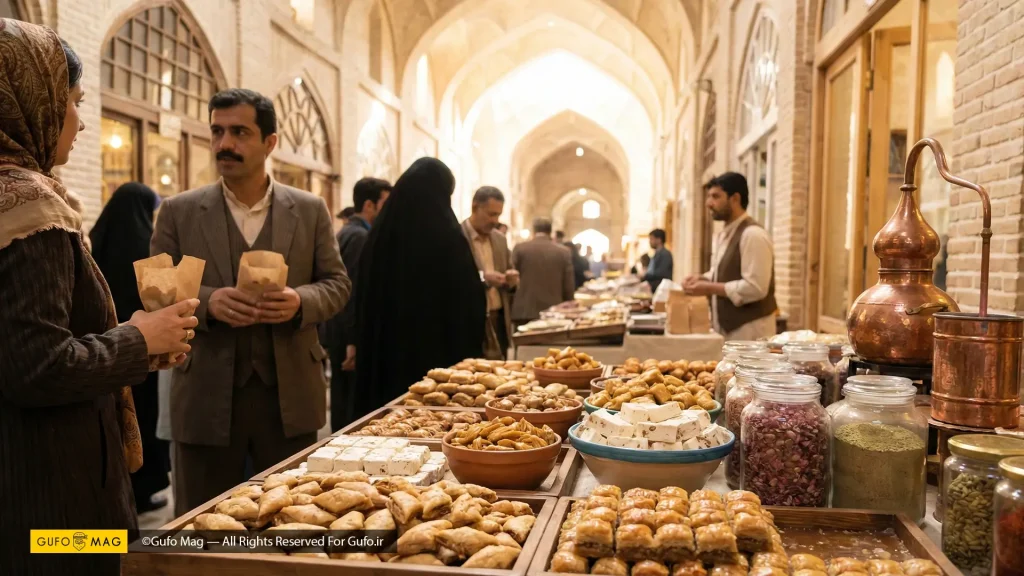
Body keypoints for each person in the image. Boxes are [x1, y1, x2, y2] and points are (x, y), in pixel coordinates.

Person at [0, 21, 198, 575]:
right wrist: (137, 340)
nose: (81, 121)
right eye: (73, 102)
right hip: (48, 500)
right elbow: (35, 366)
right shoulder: (26, 210)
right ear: (30, 99)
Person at [151, 88, 351, 515]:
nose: (225, 144)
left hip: (290, 394)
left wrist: (301, 300)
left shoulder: (310, 209)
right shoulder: (178, 211)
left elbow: (337, 284)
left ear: (270, 142)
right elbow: (156, 288)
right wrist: (207, 303)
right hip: (204, 390)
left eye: (240, 132)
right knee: (201, 522)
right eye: (217, 132)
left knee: (290, 520)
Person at [354, 158, 485, 416]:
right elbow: (469, 302)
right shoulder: (447, 235)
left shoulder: (379, 237)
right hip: (436, 361)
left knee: (386, 422)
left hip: (385, 356)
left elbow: (362, 297)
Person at [90, 182, 170, 514]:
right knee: (143, 421)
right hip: (140, 351)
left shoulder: (96, 240)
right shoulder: (144, 247)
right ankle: (144, 486)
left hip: (103, 352)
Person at [328, 177, 391, 430]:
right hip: (347, 333)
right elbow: (351, 290)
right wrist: (353, 341)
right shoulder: (360, 237)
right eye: (384, 203)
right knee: (349, 407)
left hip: (341, 329)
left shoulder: (348, 231)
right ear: (369, 205)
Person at [684, 172, 776, 340]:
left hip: (751, 332)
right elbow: (723, 273)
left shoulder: (753, 235)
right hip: (730, 332)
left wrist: (709, 288)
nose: (708, 203)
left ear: (735, 198)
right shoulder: (725, 234)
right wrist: (701, 279)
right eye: (708, 197)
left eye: (715, 197)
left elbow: (756, 288)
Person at [461, 186, 518, 360]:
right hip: (470, 320)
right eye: (491, 214)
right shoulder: (457, 236)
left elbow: (509, 269)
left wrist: (511, 280)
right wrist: (483, 279)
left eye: (498, 215)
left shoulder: (499, 239)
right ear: (475, 207)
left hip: (498, 318)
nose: (495, 220)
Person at [511, 218, 576, 324]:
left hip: (524, 310)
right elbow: (568, 284)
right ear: (550, 232)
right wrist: (569, 304)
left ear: (533, 230)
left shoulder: (520, 248)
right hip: (554, 311)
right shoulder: (563, 252)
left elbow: (512, 277)